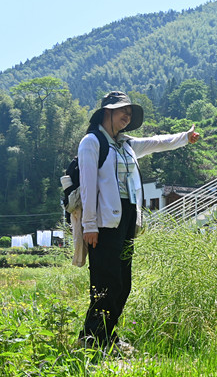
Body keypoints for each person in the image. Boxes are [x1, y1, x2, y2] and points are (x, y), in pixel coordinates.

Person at [78, 91, 200, 348]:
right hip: (103, 223)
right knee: (105, 282)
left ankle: (106, 337)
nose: (127, 116)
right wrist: (89, 225)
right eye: (123, 110)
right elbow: (88, 186)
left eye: (130, 113)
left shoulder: (126, 144)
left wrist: (184, 138)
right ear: (107, 111)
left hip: (127, 218)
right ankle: (92, 340)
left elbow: (156, 142)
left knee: (123, 284)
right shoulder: (92, 142)